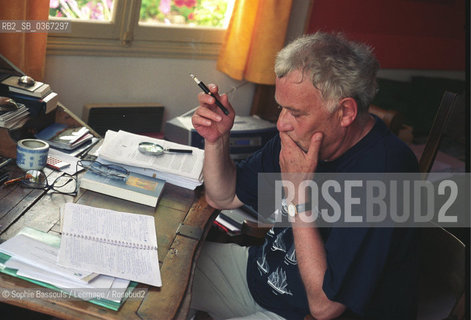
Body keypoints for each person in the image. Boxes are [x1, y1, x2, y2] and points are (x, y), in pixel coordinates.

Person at [190, 32, 418, 320]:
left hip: (302, 313)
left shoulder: (384, 174)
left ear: (345, 111)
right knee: (152, 276)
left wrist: (299, 198)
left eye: (296, 113)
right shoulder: (298, 135)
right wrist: (216, 139)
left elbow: (325, 307)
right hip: (258, 275)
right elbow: (223, 196)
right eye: (281, 107)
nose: (282, 123)